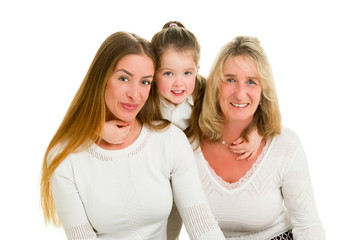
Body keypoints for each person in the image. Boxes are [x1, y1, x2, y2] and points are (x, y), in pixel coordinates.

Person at [40, 31, 226, 239]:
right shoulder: (65, 157)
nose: (135, 94)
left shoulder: (170, 139)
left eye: (145, 82)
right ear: (101, 78)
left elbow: (202, 225)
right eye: (123, 78)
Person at [168, 36, 326, 239]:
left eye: (251, 82)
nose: (240, 93)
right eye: (230, 80)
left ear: (263, 90)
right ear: (215, 85)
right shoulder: (185, 145)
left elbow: (308, 227)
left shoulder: (285, 144)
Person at [102, 21, 263, 160]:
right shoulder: (142, 94)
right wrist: (100, 130)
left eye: (187, 73)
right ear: (154, 73)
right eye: (168, 73)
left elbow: (245, 107)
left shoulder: (205, 92)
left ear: (197, 70)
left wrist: (256, 133)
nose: (179, 83)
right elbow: (96, 113)